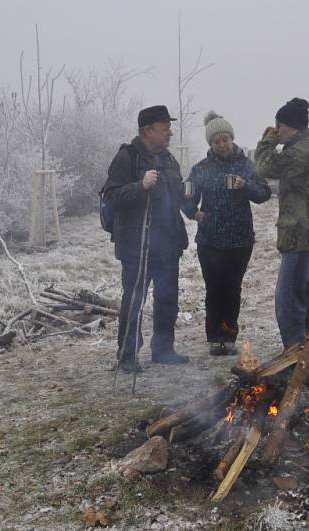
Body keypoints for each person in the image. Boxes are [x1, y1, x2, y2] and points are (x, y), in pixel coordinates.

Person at [101, 105, 190, 374]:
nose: (170, 133)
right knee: (134, 300)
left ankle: (163, 349)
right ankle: (127, 355)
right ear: (148, 130)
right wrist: (139, 186)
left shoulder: (169, 160)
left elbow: (178, 198)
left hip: (168, 245)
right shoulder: (127, 158)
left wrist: (193, 208)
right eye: (165, 128)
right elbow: (111, 196)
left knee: (167, 298)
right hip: (136, 246)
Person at [182, 111, 272, 356]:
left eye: (225, 139)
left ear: (232, 139)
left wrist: (246, 187)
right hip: (210, 241)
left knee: (232, 289)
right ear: (210, 144)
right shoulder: (199, 169)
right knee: (214, 289)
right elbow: (186, 195)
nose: (221, 145)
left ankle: (229, 337)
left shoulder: (246, 165)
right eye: (216, 141)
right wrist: (194, 213)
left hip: (240, 240)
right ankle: (214, 339)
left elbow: (264, 193)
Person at [254, 98, 309, 363]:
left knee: (288, 298)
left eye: (279, 126)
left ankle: (296, 356)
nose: (277, 130)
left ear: (291, 127)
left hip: (302, 236)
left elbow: (264, 167)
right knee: (305, 295)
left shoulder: (301, 151)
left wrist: (268, 140)